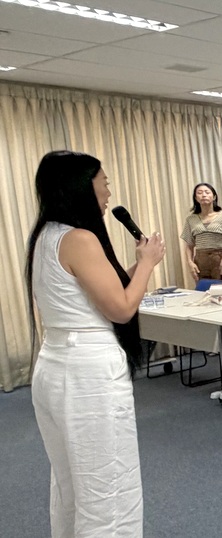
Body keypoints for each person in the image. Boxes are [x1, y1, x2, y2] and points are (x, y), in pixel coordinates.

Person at [26, 150, 167, 536]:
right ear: (81, 187)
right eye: (103, 183)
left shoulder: (47, 234)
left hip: (56, 364)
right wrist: (150, 264)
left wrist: (140, 264)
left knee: (72, 481)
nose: (107, 193)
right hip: (88, 376)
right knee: (108, 487)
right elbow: (121, 308)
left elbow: (105, 290)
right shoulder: (81, 238)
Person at [181, 182, 222, 284]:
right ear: (195, 198)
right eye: (199, 193)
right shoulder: (190, 219)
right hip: (201, 262)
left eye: (207, 192)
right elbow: (189, 245)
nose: (203, 195)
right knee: (205, 292)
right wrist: (190, 263)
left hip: (221, 260)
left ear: (214, 197)